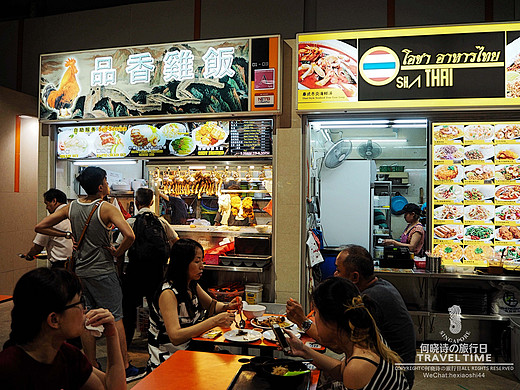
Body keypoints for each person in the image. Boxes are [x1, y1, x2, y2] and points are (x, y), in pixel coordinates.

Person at [34, 166, 145, 382]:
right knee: (116, 318)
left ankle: (91, 364)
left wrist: (67, 233)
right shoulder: (106, 207)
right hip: (103, 271)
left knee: (87, 316)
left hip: (80, 272)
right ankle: (125, 366)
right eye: (105, 180)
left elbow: (40, 226)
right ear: (101, 185)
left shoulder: (71, 206)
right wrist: (117, 252)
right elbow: (129, 235)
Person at [286, 245, 416, 388]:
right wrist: (303, 350)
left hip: (401, 373)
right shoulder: (366, 302)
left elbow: (334, 346)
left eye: (316, 314)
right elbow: (342, 369)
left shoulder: (370, 302)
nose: (335, 274)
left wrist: (303, 321)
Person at [0, 267, 125, 390]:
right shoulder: (10, 368)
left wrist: (112, 334)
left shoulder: (68, 355)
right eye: (80, 302)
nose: (85, 309)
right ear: (54, 320)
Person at [147, 238, 242, 370]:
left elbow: (212, 306)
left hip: (192, 349)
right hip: (169, 359)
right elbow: (175, 336)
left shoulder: (191, 284)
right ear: (182, 263)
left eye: (201, 261)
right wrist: (214, 321)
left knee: (233, 363)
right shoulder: (168, 293)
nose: (202, 266)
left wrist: (228, 306)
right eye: (197, 261)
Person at [117, 187, 179, 347]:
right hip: (156, 273)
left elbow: (118, 249)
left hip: (134, 273)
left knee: (129, 311)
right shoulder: (161, 221)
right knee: (157, 308)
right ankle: (158, 341)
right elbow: (177, 242)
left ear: (136, 202)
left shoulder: (129, 222)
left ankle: (127, 344)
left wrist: (119, 272)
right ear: (152, 202)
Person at [23, 188, 73, 268]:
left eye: (47, 203)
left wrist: (29, 255)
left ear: (54, 201)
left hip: (60, 266)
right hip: (78, 265)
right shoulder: (75, 216)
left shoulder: (50, 221)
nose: (46, 207)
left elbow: (38, 247)